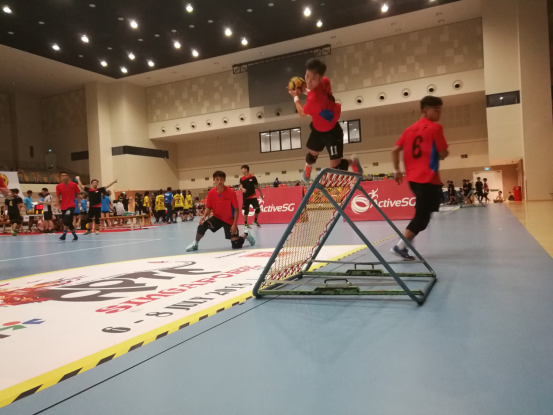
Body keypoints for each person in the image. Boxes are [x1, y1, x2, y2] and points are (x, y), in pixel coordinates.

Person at [390, 95, 449, 260]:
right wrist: (440, 153)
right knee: (422, 218)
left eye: (440, 110)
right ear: (425, 110)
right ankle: (400, 246)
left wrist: (397, 170)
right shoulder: (435, 128)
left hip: (413, 180)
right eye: (436, 110)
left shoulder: (408, 130)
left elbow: (394, 150)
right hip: (428, 179)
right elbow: (444, 152)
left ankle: (405, 245)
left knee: (423, 215)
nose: (439, 113)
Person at [288, 58, 362, 183]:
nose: (308, 80)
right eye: (307, 76)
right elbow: (317, 94)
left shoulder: (313, 101)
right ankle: (307, 167)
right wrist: (305, 90)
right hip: (318, 130)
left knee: (337, 168)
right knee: (311, 156)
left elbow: (302, 113)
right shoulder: (325, 81)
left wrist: (296, 97)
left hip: (332, 132)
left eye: (313, 78)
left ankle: (353, 161)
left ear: (320, 78)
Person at [186, 170, 255, 252]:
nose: (219, 181)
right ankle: (195, 243)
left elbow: (236, 209)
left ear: (224, 180)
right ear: (214, 180)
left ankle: (246, 234)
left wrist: (234, 224)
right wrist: (204, 215)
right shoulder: (211, 193)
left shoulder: (231, 193)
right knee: (202, 226)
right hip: (217, 218)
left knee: (236, 244)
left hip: (229, 220)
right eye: (217, 179)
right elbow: (208, 207)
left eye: (221, 179)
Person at [55, 172, 80, 241]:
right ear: (60, 177)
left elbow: (77, 194)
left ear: (68, 176)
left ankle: (66, 235)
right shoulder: (58, 186)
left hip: (71, 205)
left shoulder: (74, 185)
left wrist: (79, 204)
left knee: (66, 219)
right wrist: (58, 206)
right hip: (63, 206)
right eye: (62, 176)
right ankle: (70, 235)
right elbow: (57, 197)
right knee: (67, 221)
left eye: (66, 175)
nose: (64, 177)